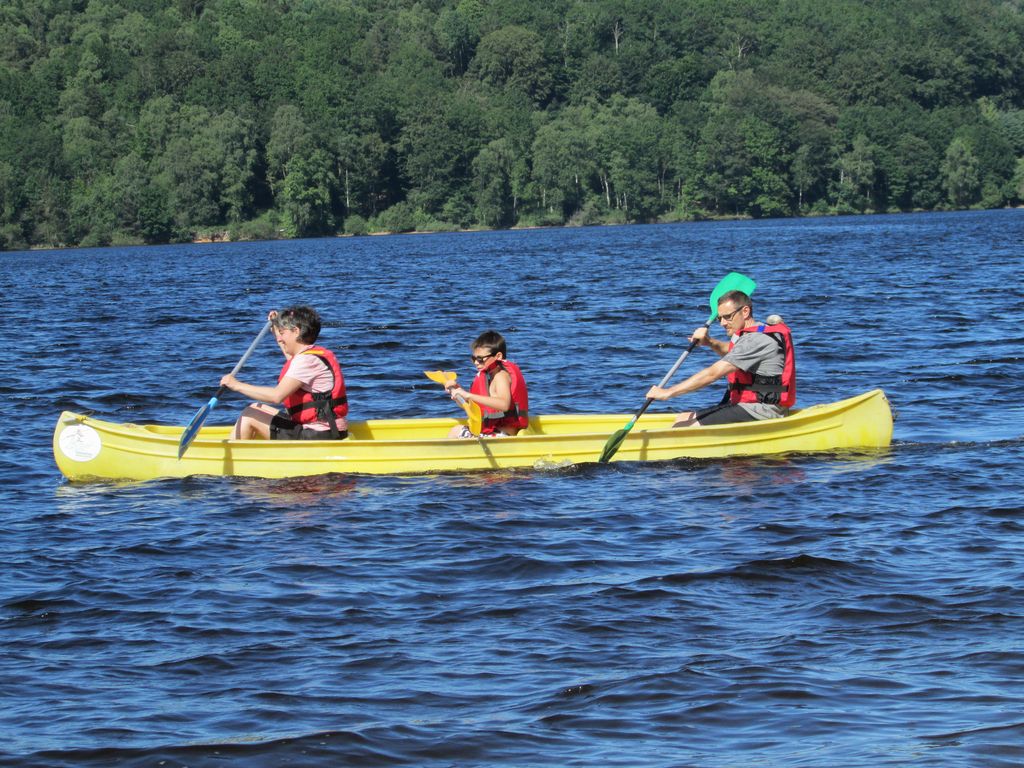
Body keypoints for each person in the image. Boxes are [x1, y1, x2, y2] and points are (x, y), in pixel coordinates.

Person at [645, 290, 796, 427]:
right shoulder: (756, 332)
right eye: (720, 318)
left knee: (685, 426)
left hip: (763, 411)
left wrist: (668, 392)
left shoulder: (756, 340)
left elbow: (714, 373)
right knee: (683, 417)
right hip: (748, 405)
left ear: (745, 311)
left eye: (727, 317)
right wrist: (710, 343)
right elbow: (733, 351)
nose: (723, 323)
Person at [219, 306, 349, 440]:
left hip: (318, 435)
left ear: (296, 331)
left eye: (283, 333)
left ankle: (233, 459)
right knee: (255, 407)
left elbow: (276, 396)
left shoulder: (306, 361)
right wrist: (276, 329)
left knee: (249, 415)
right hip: (328, 431)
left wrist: (236, 385)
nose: (280, 339)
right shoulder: (312, 355)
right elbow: (290, 356)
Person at [442, 330, 529, 438]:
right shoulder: (489, 377)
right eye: (474, 359)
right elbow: (472, 407)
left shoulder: (501, 376)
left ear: (498, 356)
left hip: (502, 436)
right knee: (456, 430)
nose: (476, 363)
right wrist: (457, 392)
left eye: (480, 359)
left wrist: (468, 395)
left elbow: (504, 405)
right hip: (493, 432)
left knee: (455, 431)